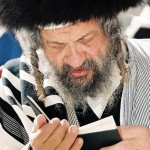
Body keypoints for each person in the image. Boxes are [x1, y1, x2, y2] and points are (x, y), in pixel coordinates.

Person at [0, 0, 150, 149]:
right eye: (57, 45)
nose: (75, 61)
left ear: (111, 30)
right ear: (38, 42)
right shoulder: (13, 85)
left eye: (86, 39)